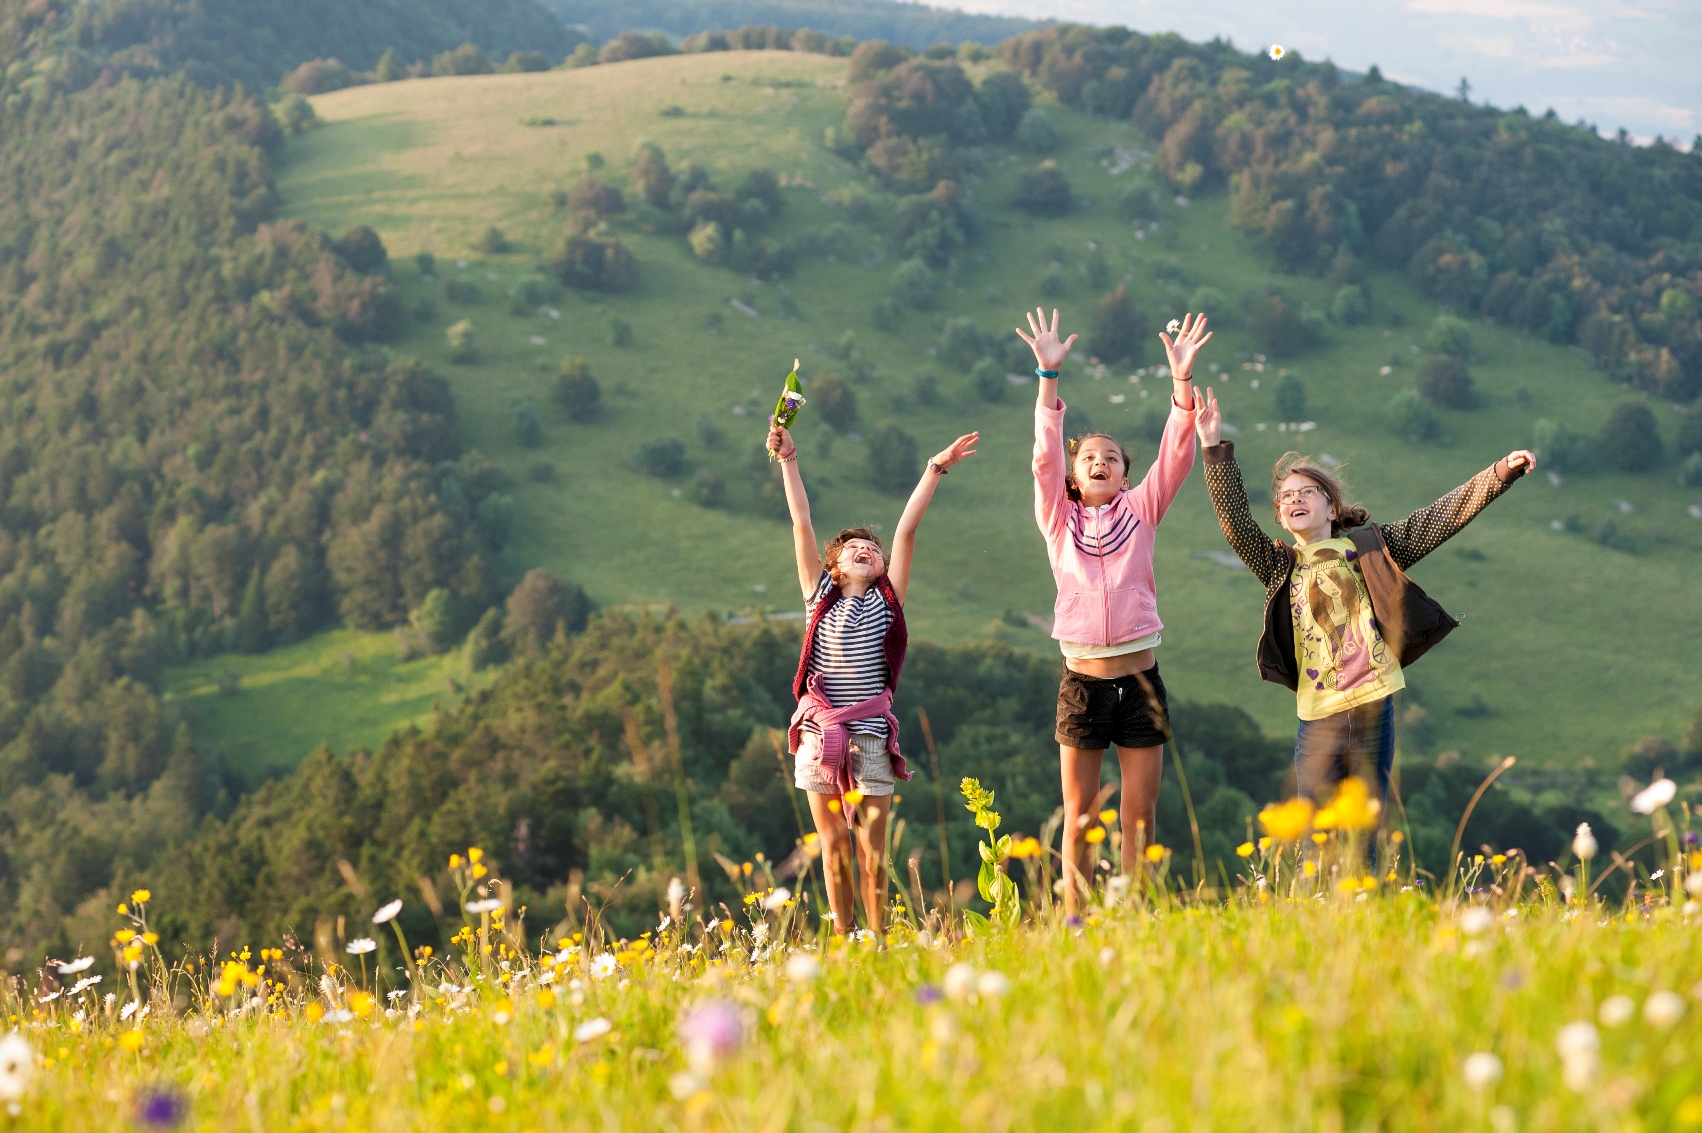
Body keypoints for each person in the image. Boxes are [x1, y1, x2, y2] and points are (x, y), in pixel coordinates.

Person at [1194, 385, 1536, 811]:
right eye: (1286, 497)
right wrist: (1212, 449)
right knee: (1316, 829)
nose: (1295, 498)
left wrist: (1499, 474)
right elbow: (1236, 524)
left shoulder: (1371, 548)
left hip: (1374, 705)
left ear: (1332, 508)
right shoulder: (1279, 565)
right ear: (1281, 518)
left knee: (1364, 825)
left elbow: (1438, 518)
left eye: (1307, 492)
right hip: (1317, 715)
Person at [1017, 307, 1211, 909]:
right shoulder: (1058, 519)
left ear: (1127, 476)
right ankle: (1073, 914)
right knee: (1080, 814)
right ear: (1074, 479)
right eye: (1089, 459)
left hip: (1139, 682)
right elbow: (1045, 460)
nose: (1100, 462)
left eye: (1113, 458)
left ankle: (1134, 910)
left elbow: (1176, 457)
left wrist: (1181, 386)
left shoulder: (1142, 510)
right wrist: (1050, 380)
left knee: (1140, 813)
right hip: (1081, 684)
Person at [767, 418, 979, 934]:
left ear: (884, 566)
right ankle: (844, 938)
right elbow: (800, 521)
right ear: (832, 566)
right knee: (834, 846)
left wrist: (935, 468)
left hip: (871, 738)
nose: (866, 548)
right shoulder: (820, 596)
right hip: (820, 735)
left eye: (873, 548)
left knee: (871, 850)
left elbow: (906, 528)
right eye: (851, 547)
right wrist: (788, 459)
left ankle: (878, 938)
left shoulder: (890, 602)